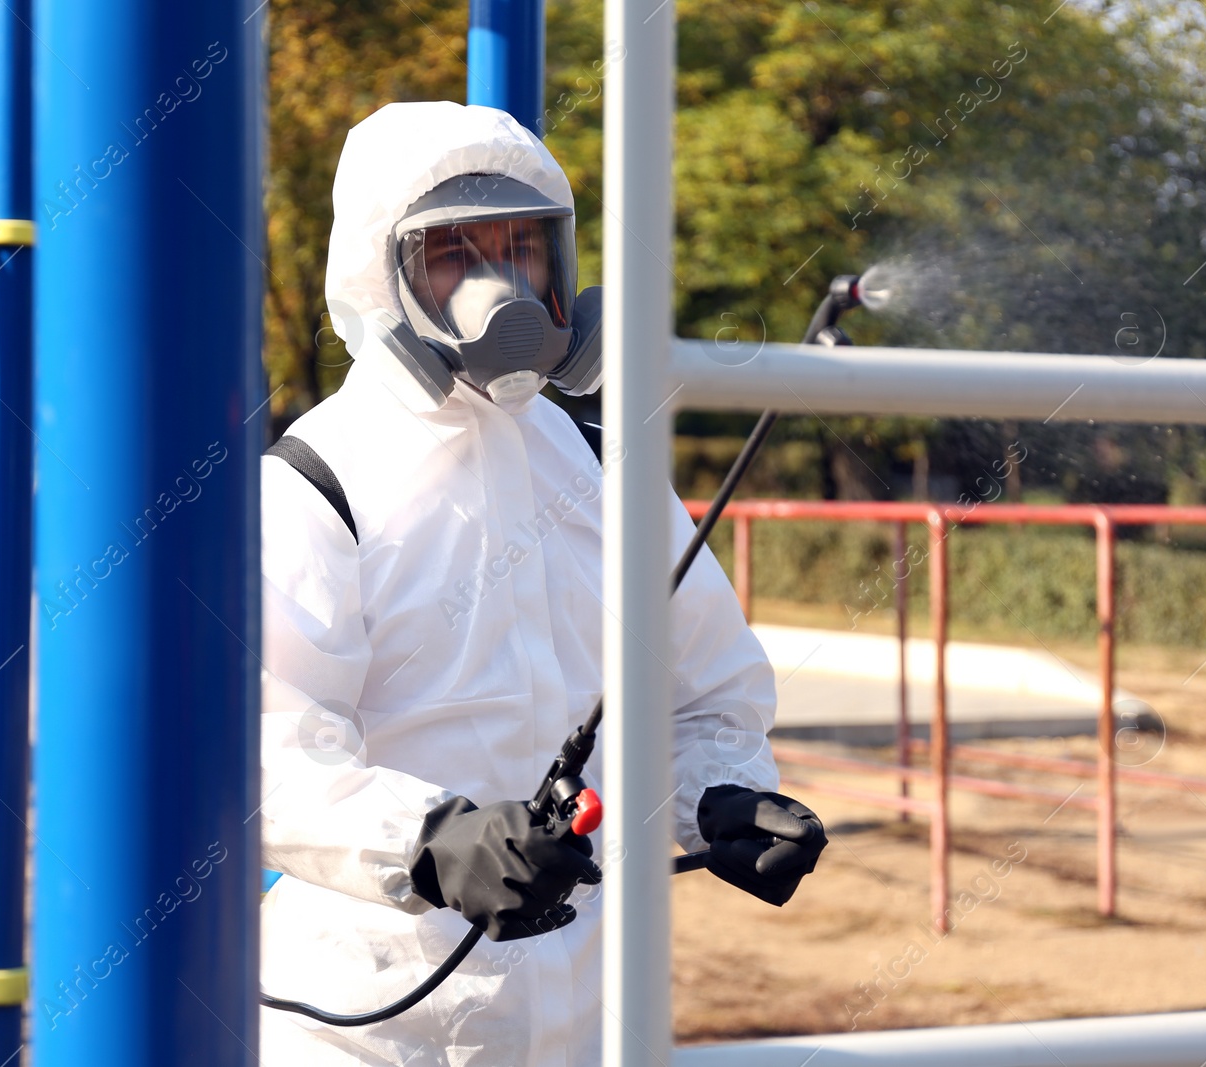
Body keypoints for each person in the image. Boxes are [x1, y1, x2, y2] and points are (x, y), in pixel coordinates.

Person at [259, 100, 826, 1065]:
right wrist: (431, 844)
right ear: (378, 278)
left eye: (523, 248)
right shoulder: (318, 482)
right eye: (453, 254)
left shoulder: (607, 470)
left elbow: (707, 691)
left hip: (592, 1012)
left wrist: (723, 798)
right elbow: (263, 747)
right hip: (371, 1018)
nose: (499, 285)